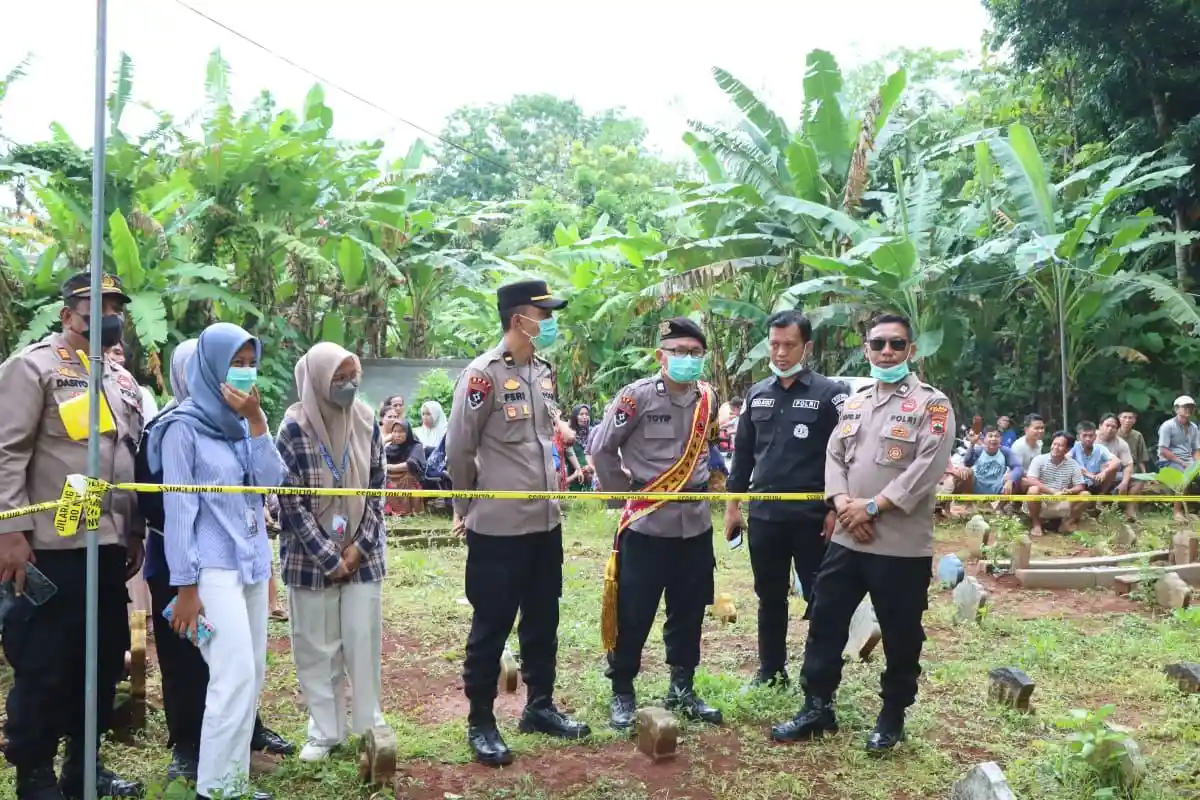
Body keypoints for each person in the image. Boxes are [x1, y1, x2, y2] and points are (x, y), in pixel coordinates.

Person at [772, 313, 954, 754]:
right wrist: (841, 504)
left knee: (901, 634)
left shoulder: (933, 404)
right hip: (847, 540)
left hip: (900, 545)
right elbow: (834, 456)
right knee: (825, 621)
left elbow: (927, 467)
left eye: (896, 344)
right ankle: (817, 707)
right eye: (878, 344)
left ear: (911, 350)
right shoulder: (856, 401)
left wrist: (872, 507)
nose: (886, 352)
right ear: (867, 348)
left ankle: (892, 717)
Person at [0, 273, 145, 800]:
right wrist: (9, 531)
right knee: (45, 660)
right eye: (97, 306)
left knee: (104, 657)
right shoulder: (32, 367)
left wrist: (133, 531)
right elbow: (6, 452)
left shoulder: (121, 378)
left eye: (116, 306)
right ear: (68, 314)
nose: (110, 315)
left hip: (105, 544)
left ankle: (85, 768)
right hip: (47, 546)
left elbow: (126, 456)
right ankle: (33, 772)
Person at [445, 279, 590, 766]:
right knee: (492, 623)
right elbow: (459, 449)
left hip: (545, 523)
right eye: (542, 314)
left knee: (543, 618)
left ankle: (540, 706)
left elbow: (546, 436)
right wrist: (466, 508)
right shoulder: (482, 375)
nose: (549, 323)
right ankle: (481, 721)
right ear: (517, 318)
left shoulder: (543, 373)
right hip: (500, 527)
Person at [138, 340, 295, 783]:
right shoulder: (180, 429)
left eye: (250, 364)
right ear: (209, 370)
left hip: (249, 561)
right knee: (233, 676)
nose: (244, 374)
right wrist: (186, 587)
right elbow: (179, 511)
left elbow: (269, 481)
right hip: (211, 569)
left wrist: (259, 422)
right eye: (235, 364)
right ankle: (217, 787)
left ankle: (235, 779)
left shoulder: (239, 425)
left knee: (253, 675)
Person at [590, 317, 724, 731]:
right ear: (660, 355)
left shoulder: (708, 397)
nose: (688, 359)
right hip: (648, 523)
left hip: (695, 526)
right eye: (680, 352)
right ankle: (623, 691)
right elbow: (601, 449)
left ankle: (682, 688)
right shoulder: (638, 396)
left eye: (696, 353)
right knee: (634, 613)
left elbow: (710, 445)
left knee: (689, 612)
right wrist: (623, 495)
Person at [276, 342, 390, 763]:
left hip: (365, 553)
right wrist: (329, 556)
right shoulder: (293, 427)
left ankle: (367, 722)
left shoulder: (365, 417)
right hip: (309, 559)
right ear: (318, 380)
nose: (348, 385)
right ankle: (324, 730)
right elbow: (289, 502)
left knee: (362, 639)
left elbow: (378, 488)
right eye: (338, 378)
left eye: (352, 376)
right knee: (315, 645)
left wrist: (358, 547)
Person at [724, 310, 848, 688]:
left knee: (821, 598)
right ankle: (771, 671)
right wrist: (733, 506)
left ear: (806, 347)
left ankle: (816, 677)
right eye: (774, 344)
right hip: (765, 517)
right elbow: (742, 455)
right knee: (770, 596)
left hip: (813, 518)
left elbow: (844, 456)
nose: (780, 353)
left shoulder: (831, 394)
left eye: (789, 345)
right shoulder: (757, 394)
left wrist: (833, 510)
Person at [1025, 431, 1089, 536]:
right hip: (1041, 501)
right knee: (1033, 490)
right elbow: (1031, 479)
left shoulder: (1073, 464)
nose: (1055, 447)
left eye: (1060, 445)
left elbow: (1080, 486)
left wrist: (1069, 491)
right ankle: (1036, 524)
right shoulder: (1039, 460)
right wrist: (1051, 491)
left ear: (1068, 449)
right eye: (1054, 444)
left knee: (1086, 495)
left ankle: (1066, 523)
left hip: (1061, 500)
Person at [1157, 396, 1200, 522]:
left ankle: (1193, 509)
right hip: (1168, 460)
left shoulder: (1194, 427)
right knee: (1184, 476)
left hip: (1188, 460)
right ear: (1176, 409)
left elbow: (1196, 450)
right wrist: (1184, 463)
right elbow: (1163, 450)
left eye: (1191, 407)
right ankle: (1177, 512)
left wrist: (1197, 463)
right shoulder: (1168, 426)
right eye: (1185, 407)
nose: (1188, 409)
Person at [1097, 414, 1139, 521]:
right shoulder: (1090, 438)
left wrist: (1124, 482)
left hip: (1114, 476)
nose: (1110, 429)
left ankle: (1130, 511)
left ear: (1117, 429)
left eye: (1114, 427)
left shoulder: (1121, 444)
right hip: (1093, 475)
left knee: (1139, 480)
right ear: (1100, 426)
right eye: (1107, 425)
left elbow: (1128, 465)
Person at [959, 426, 1022, 496]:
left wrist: (1011, 479)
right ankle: (966, 502)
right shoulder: (979, 450)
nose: (994, 439)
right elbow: (967, 463)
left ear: (1001, 439)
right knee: (966, 472)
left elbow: (1018, 467)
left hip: (996, 488)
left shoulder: (1005, 451)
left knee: (1014, 480)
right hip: (976, 486)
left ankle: (1000, 506)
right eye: (990, 436)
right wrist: (972, 444)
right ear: (984, 439)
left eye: (997, 436)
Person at [383, 415, 426, 516]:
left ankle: (406, 510)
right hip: (391, 478)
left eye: (401, 431)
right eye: (395, 431)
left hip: (407, 478)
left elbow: (410, 464)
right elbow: (375, 457)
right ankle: (388, 510)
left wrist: (388, 467)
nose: (397, 435)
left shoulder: (416, 446)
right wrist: (385, 440)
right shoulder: (389, 448)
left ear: (408, 433)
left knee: (408, 479)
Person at [1010, 413, 1045, 492]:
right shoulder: (1018, 446)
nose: (1040, 431)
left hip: (1034, 477)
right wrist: (1035, 478)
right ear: (1026, 430)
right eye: (1036, 428)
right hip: (1019, 479)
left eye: (1042, 428)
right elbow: (1016, 471)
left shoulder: (1040, 443)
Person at [567, 405, 594, 491]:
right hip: (575, 478)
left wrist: (590, 467)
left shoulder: (594, 434)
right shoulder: (569, 435)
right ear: (575, 417)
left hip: (592, 478)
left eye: (586, 414)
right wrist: (581, 469)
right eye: (581, 414)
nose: (584, 417)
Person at [1117, 410, 1151, 474]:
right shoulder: (1114, 434)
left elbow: (1141, 458)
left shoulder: (1138, 435)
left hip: (1133, 467)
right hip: (1117, 466)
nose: (1127, 420)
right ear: (1119, 419)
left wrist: (1144, 473)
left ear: (1134, 420)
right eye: (1124, 417)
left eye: (1130, 418)